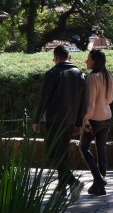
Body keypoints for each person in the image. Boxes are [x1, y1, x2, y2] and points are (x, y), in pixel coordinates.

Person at [33, 44, 86, 203]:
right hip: (71, 120)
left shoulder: (53, 73)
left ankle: (73, 182)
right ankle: (61, 189)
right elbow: (82, 101)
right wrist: (78, 122)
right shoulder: (80, 74)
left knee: (51, 152)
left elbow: (44, 98)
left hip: (55, 119)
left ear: (56, 58)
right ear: (69, 57)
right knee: (62, 153)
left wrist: (36, 119)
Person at [79, 49, 113, 196]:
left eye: (88, 58)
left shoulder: (92, 78)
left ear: (94, 61)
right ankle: (100, 187)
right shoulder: (109, 76)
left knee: (83, 147)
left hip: (94, 119)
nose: (86, 61)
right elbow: (110, 100)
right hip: (107, 117)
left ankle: (99, 180)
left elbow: (90, 102)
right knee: (101, 150)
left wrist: (86, 119)